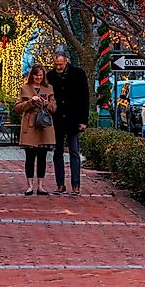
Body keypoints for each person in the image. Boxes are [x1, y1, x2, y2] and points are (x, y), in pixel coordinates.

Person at [47, 49, 90, 196]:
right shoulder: (50, 76)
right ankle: (60, 184)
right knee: (57, 152)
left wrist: (83, 120)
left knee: (74, 152)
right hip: (57, 118)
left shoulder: (78, 74)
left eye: (60, 64)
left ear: (66, 61)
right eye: (56, 64)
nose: (58, 67)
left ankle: (76, 184)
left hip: (73, 117)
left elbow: (85, 98)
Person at [15, 65, 57, 195]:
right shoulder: (25, 89)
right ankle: (30, 186)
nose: (38, 78)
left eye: (41, 75)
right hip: (30, 125)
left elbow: (54, 108)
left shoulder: (49, 88)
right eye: (36, 75)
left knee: (42, 157)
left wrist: (45, 103)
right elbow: (17, 108)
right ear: (31, 75)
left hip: (44, 125)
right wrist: (30, 102)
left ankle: (41, 186)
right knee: (30, 157)